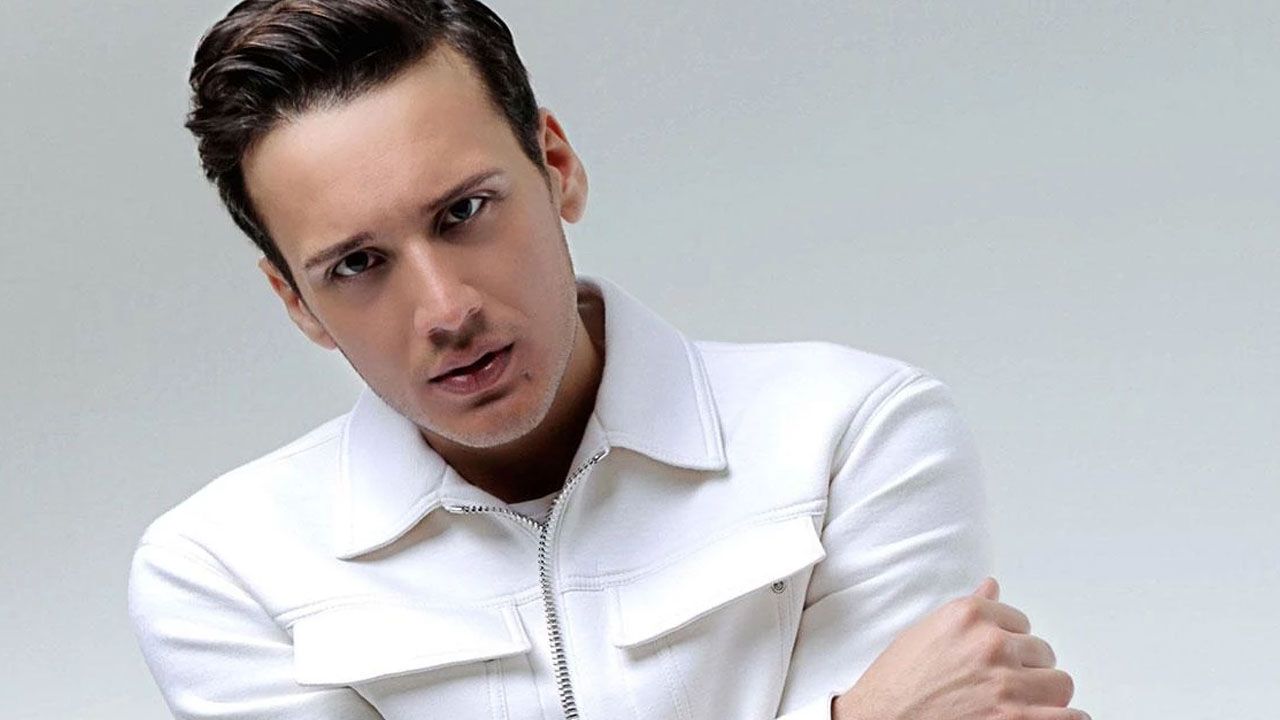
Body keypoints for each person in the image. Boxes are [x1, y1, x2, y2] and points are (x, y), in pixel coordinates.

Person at [127, 2, 1088, 719]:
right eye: (357, 265)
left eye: (464, 212)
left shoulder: (854, 434)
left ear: (557, 165)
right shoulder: (223, 572)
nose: (447, 311)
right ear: (296, 301)